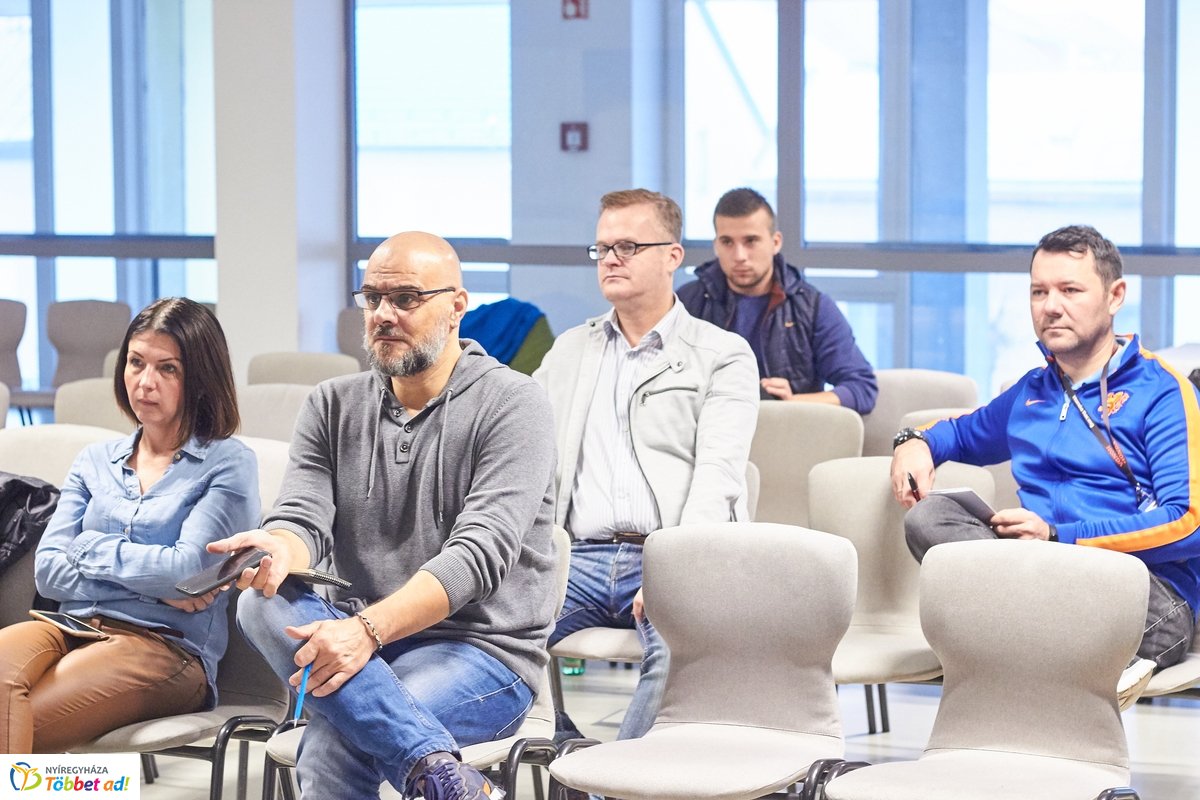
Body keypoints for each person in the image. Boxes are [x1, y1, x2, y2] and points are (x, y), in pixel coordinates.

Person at [214, 232, 557, 800]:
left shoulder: (514, 403)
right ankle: (443, 776)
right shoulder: (332, 403)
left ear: (456, 306)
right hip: (364, 643)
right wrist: (280, 548)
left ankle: (434, 771)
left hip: (482, 654)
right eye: (372, 298)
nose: (383, 315)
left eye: (406, 299)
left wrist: (366, 631)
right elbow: (302, 517)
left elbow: (477, 557)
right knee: (260, 600)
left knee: (330, 745)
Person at [891, 224, 1200, 706]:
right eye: (1039, 291)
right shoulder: (1031, 391)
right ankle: (1048, 640)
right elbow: (959, 433)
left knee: (1153, 622)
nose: (1051, 305)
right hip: (1039, 571)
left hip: (1136, 591)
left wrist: (1059, 536)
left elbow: (1187, 523)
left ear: (1115, 295)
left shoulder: (1164, 393)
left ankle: (1024, 642)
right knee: (928, 517)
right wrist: (914, 443)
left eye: (1070, 290)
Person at [534, 189, 759, 742]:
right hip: (578, 559)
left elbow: (719, 476)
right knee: (494, 635)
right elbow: (528, 455)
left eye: (629, 246)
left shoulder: (722, 354)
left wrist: (674, 567)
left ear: (673, 256)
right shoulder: (569, 351)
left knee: (678, 648)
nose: (611, 258)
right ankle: (567, 759)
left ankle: (613, 783)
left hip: (667, 554)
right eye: (603, 247)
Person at [0, 297, 259, 753]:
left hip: (164, 648)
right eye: (136, 363)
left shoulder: (228, 464)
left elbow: (187, 574)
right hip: (69, 626)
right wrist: (153, 585)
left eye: (168, 369)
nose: (146, 382)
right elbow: (48, 572)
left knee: (17, 726)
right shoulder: (94, 461)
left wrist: (89, 546)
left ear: (199, 378)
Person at [678, 187, 878, 413]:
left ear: (775, 242)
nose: (739, 256)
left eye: (751, 241)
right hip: (705, 437)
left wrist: (791, 403)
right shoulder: (687, 303)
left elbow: (862, 389)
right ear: (716, 245)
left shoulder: (812, 307)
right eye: (727, 242)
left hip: (788, 438)